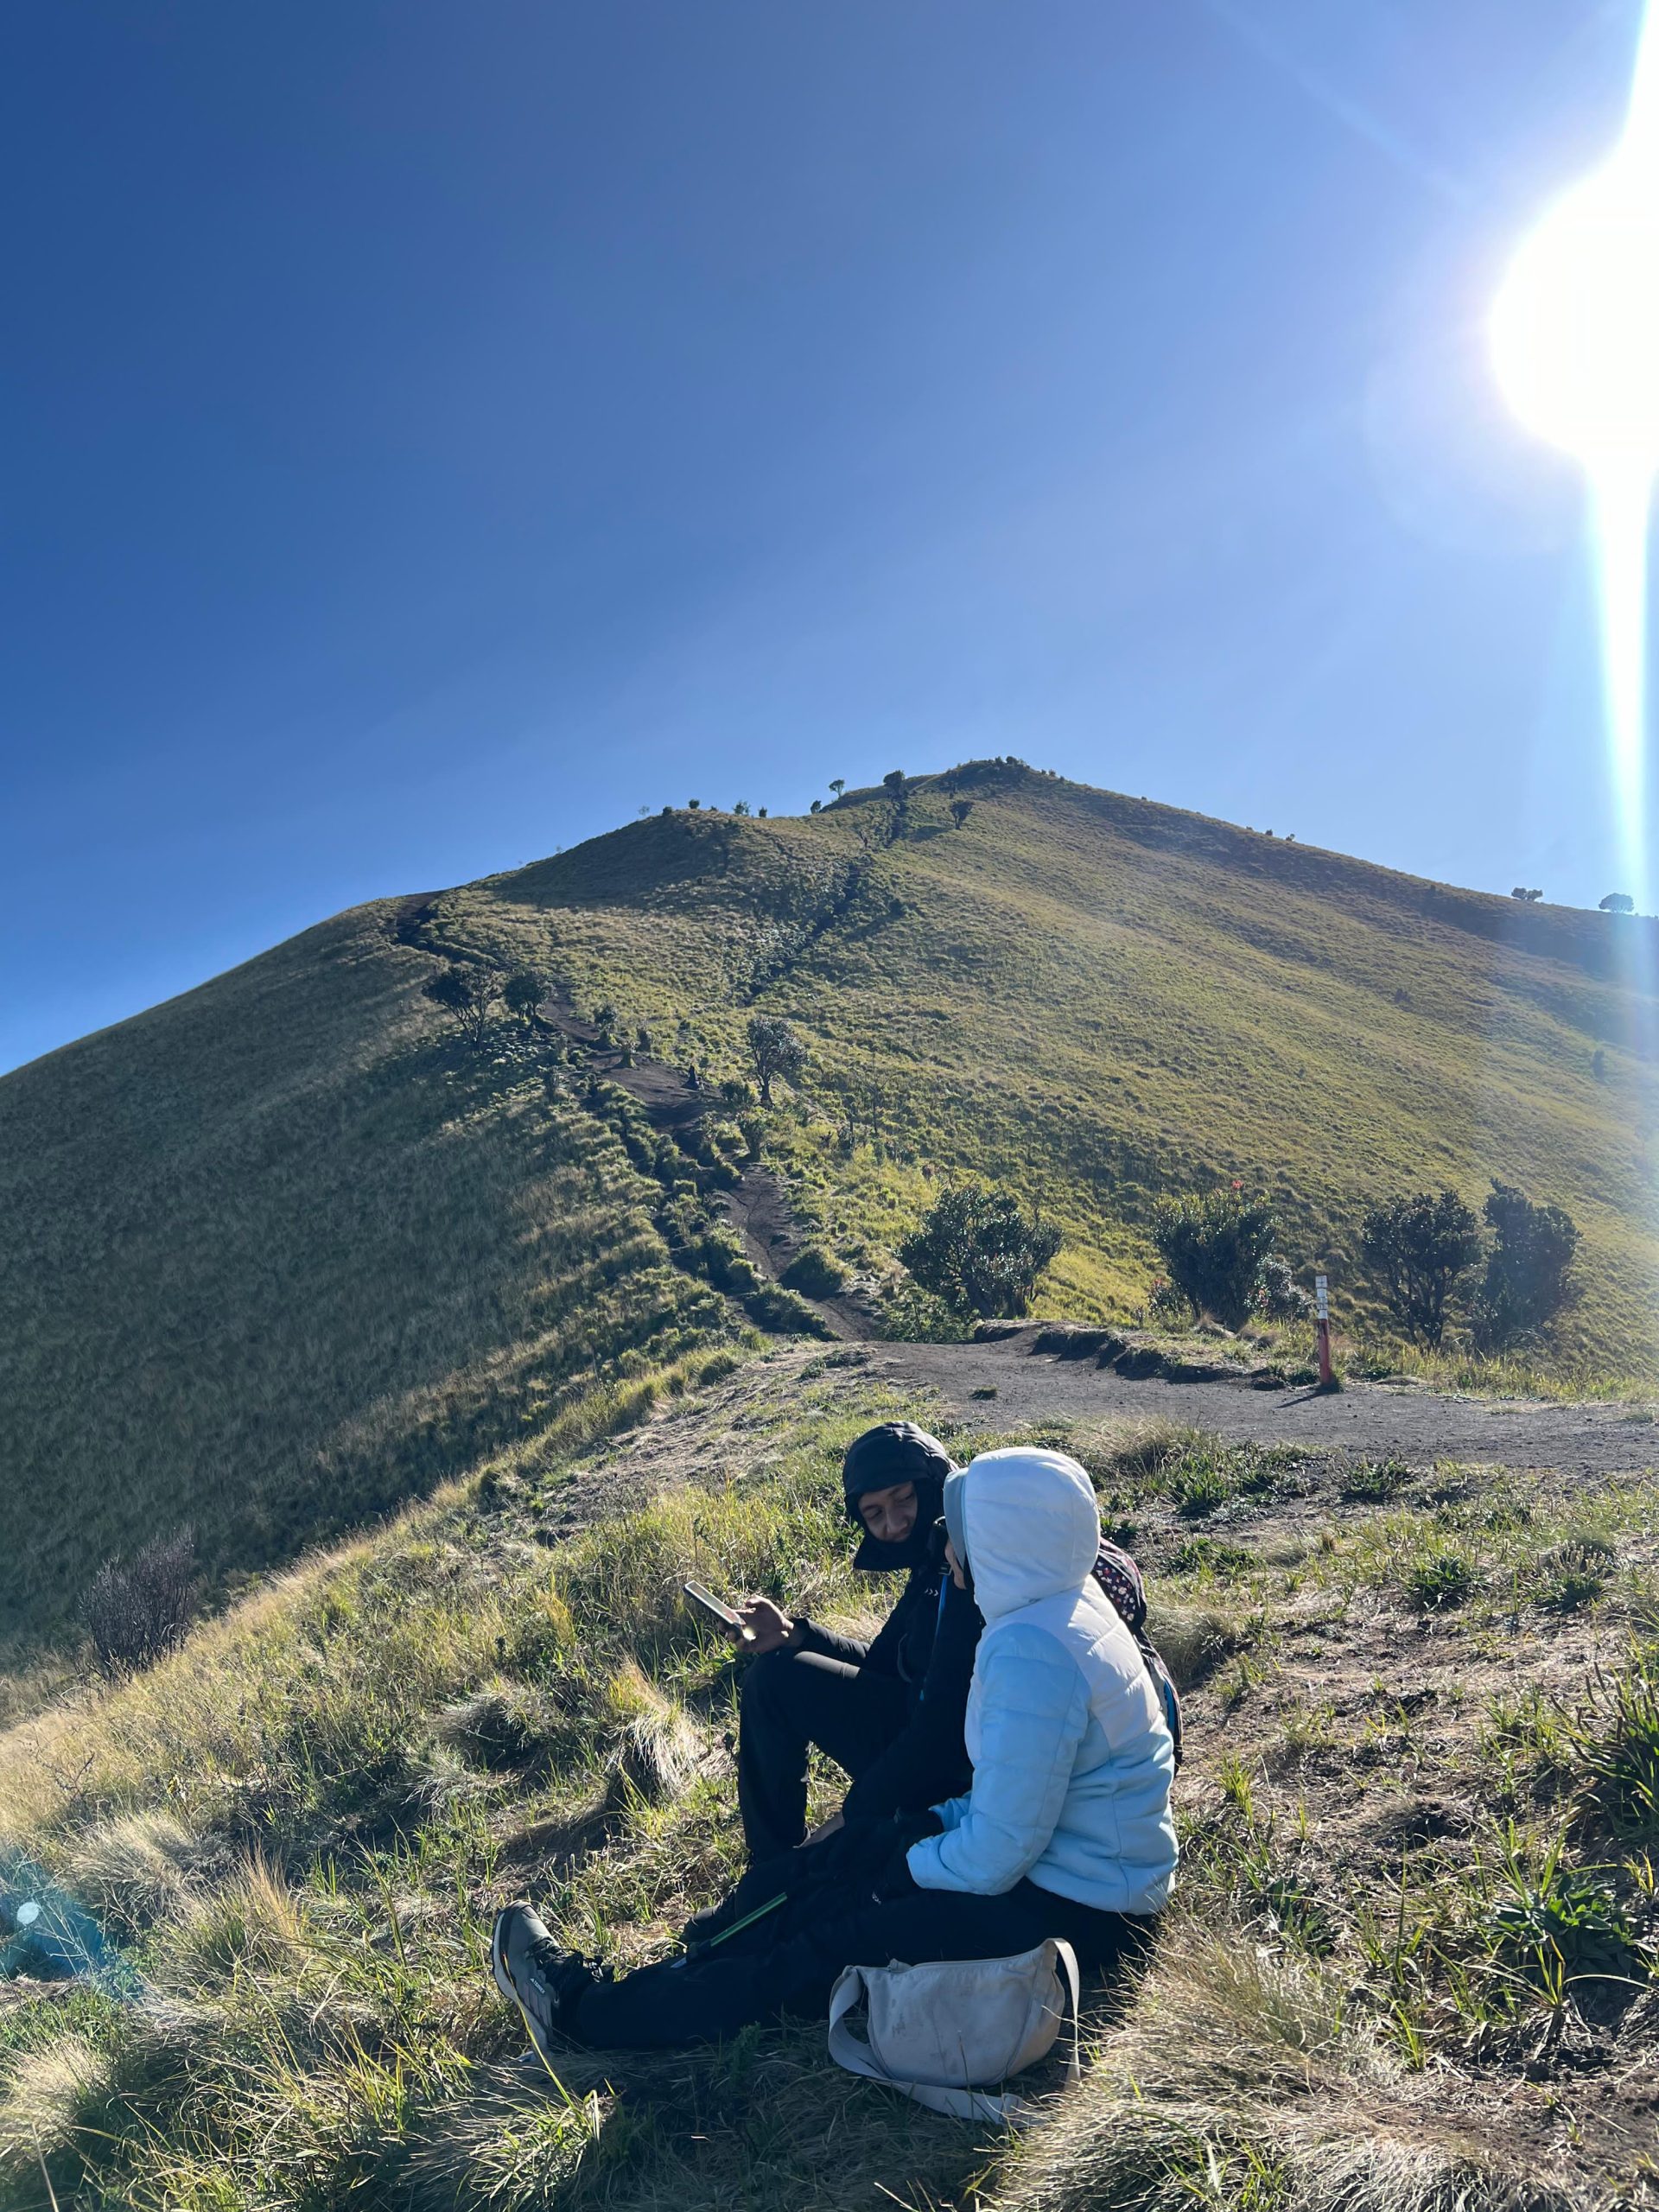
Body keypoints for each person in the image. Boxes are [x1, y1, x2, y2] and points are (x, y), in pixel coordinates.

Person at [490, 1445, 1179, 2055]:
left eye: (957, 1529)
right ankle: (704, 1951)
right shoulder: (1062, 1606)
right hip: (1072, 1882)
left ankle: (585, 2016)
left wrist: (901, 1862)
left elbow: (999, 1853)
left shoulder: (1031, 1648)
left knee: (825, 1943)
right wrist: (917, 1832)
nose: (946, 1548)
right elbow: (1018, 1797)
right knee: (842, 1866)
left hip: (1075, 1916)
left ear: (999, 1540)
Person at [728, 1420, 971, 1864]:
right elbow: (887, 1665)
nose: (894, 1524)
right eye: (874, 1513)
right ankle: (774, 1862)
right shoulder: (933, 1560)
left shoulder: (963, 1569)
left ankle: (774, 1868)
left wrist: (854, 1815)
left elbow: (942, 1723)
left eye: (905, 1499)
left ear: (934, 1484)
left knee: (776, 1680)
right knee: (777, 1670)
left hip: (947, 1766)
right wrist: (793, 1634)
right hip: (921, 1732)